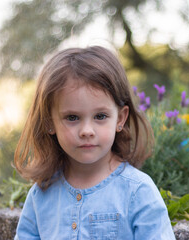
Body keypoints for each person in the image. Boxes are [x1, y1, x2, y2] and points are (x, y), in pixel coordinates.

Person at [14, 46, 176, 239]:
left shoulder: (138, 192)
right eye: (72, 117)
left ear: (120, 119)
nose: (86, 131)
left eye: (100, 116)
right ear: (50, 122)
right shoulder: (40, 195)